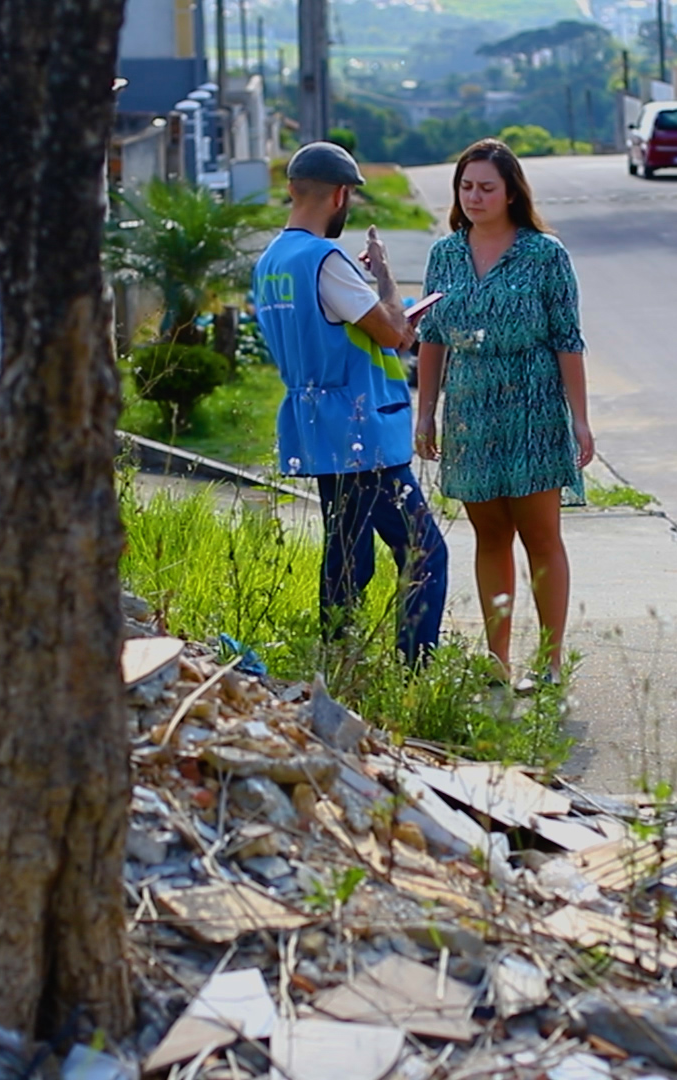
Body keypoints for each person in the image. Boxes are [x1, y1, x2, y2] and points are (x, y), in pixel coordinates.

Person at [251, 141, 449, 664]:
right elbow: (394, 334)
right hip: (362, 431)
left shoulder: (271, 261)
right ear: (341, 195)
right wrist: (383, 275)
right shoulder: (327, 258)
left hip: (315, 425)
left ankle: (339, 661)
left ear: (292, 189)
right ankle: (414, 672)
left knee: (347, 554)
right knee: (424, 551)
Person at [415, 138, 592, 687]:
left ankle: (553, 661)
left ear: (512, 192)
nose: (474, 196)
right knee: (489, 535)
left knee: (541, 536)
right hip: (470, 407)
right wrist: (427, 413)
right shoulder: (445, 254)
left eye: (487, 187)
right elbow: (432, 338)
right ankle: (497, 661)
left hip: (533, 405)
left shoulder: (545, 254)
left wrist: (580, 419)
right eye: (466, 187)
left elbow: (568, 339)